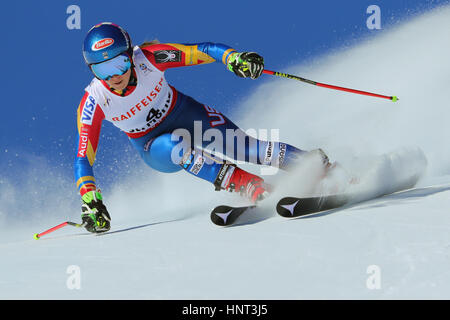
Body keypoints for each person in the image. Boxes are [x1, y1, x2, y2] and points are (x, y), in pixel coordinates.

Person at [76, 22, 330, 233]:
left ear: (131, 55)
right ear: (92, 70)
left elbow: (204, 50)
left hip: (185, 113)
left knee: (244, 148)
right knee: (177, 148)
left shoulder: (150, 58)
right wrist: (91, 200)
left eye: (119, 64)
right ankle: (249, 185)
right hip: (153, 146)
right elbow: (83, 159)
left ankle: (316, 167)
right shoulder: (94, 101)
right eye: (102, 70)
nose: (113, 77)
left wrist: (235, 59)